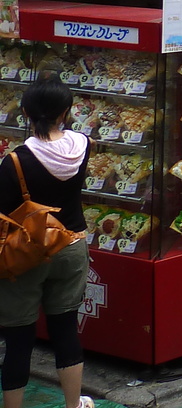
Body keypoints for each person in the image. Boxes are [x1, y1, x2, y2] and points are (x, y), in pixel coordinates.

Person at [0, 78, 90, 408]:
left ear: (24, 112)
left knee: (19, 338)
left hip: (27, 252)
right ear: (66, 112)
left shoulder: (15, 161)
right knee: (65, 328)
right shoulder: (83, 146)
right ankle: (73, 403)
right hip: (72, 245)